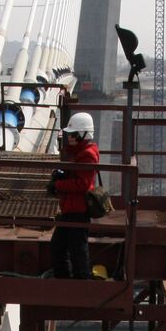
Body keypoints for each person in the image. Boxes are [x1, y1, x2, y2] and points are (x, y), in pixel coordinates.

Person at [48, 112, 99, 280]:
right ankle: (67, 279)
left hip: (78, 210)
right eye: (70, 134)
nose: (70, 138)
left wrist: (58, 184)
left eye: (74, 134)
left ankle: (81, 280)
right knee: (60, 245)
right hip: (71, 208)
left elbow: (83, 184)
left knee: (76, 247)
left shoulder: (87, 155)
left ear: (84, 135)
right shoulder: (79, 153)